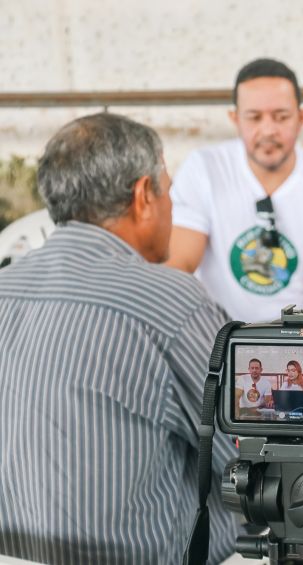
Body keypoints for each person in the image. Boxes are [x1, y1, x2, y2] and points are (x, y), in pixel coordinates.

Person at [0, 113, 239, 564]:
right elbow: (246, 458)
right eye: (168, 191)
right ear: (143, 195)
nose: (172, 207)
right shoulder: (172, 303)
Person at [167, 58, 303, 322]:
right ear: (235, 119)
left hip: (301, 334)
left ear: (301, 118)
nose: (268, 130)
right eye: (254, 117)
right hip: (216, 333)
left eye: (281, 117)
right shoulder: (203, 169)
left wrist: (286, 331)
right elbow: (180, 262)